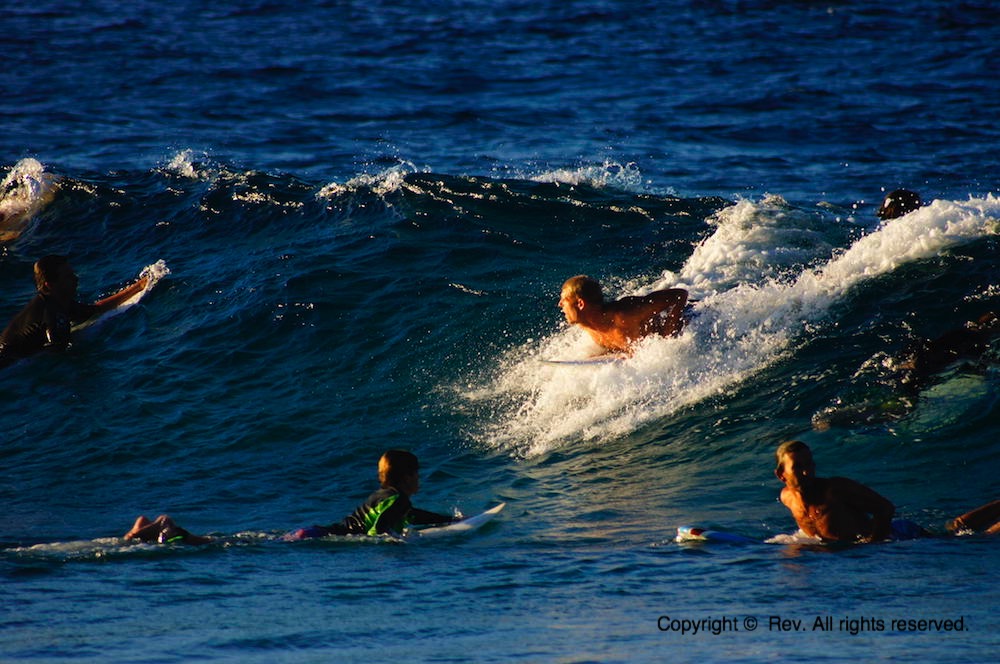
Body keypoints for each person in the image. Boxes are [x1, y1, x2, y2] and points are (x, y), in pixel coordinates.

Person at [0, 255, 148, 368]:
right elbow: (57, 351)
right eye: (68, 277)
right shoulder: (51, 311)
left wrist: (139, 286)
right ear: (50, 285)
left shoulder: (58, 302)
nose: (75, 279)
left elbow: (96, 309)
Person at [774, 440, 927, 543]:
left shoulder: (835, 490)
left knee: (946, 539)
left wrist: (872, 544)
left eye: (809, 464)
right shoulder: (786, 497)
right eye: (798, 467)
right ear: (781, 474)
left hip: (900, 532)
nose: (807, 472)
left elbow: (885, 508)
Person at [284, 450, 458, 540]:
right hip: (318, 536)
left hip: (311, 532)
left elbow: (414, 516)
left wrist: (451, 520)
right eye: (417, 474)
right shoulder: (398, 500)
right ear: (407, 477)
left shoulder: (386, 496)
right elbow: (379, 528)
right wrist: (394, 541)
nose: (419, 479)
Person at [557, 275, 689, 354]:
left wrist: (667, 334)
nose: (560, 304)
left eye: (564, 300)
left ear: (580, 304)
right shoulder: (586, 322)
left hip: (692, 320)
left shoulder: (626, 315)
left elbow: (679, 295)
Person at [124, 514, 212, 545]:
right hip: (173, 535)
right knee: (164, 519)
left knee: (142, 519)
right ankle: (163, 528)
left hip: (142, 537)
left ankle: (161, 527)